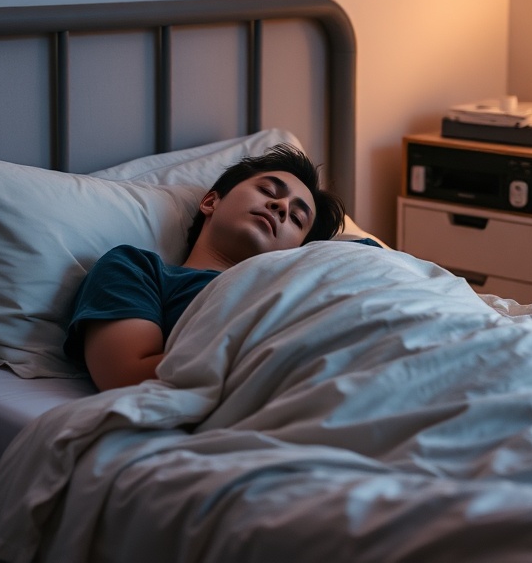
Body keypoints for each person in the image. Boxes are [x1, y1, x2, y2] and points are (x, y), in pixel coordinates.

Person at [64, 144, 346, 390]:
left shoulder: (311, 277)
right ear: (211, 201)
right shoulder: (138, 270)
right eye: (267, 190)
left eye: (296, 218)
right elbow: (127, 377)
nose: (282, 206)